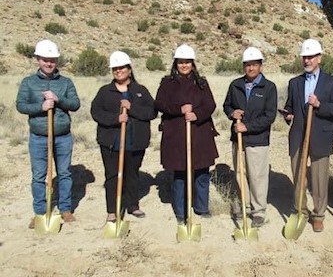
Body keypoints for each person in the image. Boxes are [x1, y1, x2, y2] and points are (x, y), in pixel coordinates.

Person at [16, 39, 81, 229]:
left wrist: (58, 100)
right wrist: (41, 106)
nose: (49, 63)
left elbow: (75, 104)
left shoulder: (66, 82)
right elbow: (20, 105)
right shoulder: (28, 83)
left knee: (64, 173)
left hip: (62, 137)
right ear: (37, 59)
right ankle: (40, 211)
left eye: (52, 59)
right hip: (38, 137)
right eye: (45, 59)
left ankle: (65, 209)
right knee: (38, 176)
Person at [282, 39, 333, 233]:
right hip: (298, 135)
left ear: (319, 58)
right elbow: (290, 106)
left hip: (320, 136)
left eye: (310, 57)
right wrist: (288, 114)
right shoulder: (295, 82)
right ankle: (301, 210)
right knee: (299, 176)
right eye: (304, 57)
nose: (306, 60)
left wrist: (319, 105)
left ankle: (318, 215)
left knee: (318, 178)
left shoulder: (332, 82)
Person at [155, 44, 219, 223]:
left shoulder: (201, 83)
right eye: (181, 62)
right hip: (176, 136)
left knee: (202, 173)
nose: (184, 65)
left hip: (200, 134)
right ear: (175, 63)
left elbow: (210, 105)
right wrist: (179, 109)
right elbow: (159, 104)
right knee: (180, 175)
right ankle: (182, 212)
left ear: (193, 63)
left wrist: (196, 114)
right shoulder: (167, 83)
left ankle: (201, 207)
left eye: (187, 62)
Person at [90, 51, 156, 222]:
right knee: (112, 175)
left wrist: (131, 108)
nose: (118, 71)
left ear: (129, 69)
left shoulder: (140, 90)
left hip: (135, 142)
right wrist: (116, 119)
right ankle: (112, 210)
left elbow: (152, 111)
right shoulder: (105, 91)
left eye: (122, 68)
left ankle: (133, 205)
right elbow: (96, 112)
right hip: (111, 143)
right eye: (115, 69)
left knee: (132, 174)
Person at [223, 47, 277, 228]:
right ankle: (244, 206)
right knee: (240, 174)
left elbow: (269, 116)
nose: (251, 68)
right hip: (237, 139)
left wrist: (247, 126)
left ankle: (259, 211)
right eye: (247, 65)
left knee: (258, 176)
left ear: (260, 66)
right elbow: (226, 105)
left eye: (254, 65)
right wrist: (232, 113)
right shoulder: (235, 85)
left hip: (258, 140)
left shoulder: (268, 88)